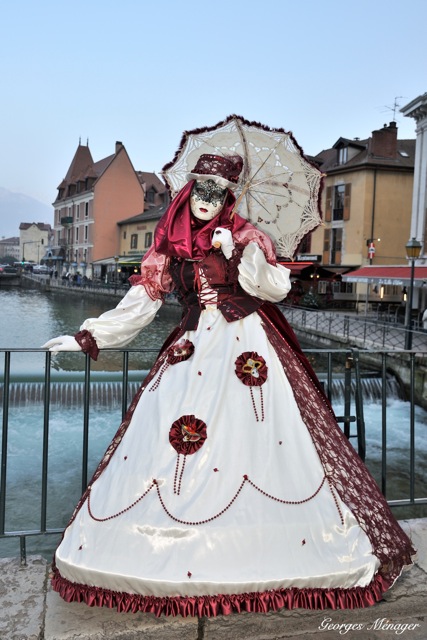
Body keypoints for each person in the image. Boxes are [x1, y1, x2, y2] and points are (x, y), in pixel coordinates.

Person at [43, 154, 415, 617]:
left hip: (247, 346)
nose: (205, 200)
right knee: (171, 438)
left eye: (216, 193)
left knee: (260, 441)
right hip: (192, 347)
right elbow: (140, 303)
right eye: (200, 190)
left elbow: (276, 287)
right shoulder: (168, 245)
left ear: (228, 197)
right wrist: (88, 337)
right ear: (188, 189)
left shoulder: (245, 235)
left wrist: (237, 252)